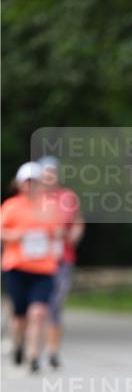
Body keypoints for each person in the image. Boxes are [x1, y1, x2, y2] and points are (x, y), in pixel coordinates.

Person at [1, 162, 63, 373]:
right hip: (16, 266)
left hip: (44, 268)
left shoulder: (50, 207)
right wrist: (16, 236)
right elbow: (2, 233)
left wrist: (53, 243)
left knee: (38, 312)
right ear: (19, 184)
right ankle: (18, 345)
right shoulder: (10, 206)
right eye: (27, 183)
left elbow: (58, 233)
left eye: (35, 183)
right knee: (19, 317)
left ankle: (33, 355)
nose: (31, 187)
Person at [39, 156, 85, 369]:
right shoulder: (32, 198)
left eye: (52, 173)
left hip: (61, 259)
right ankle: (32, 348)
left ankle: (52, 352)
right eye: (45, 173)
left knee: (55, 305)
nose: (49, 177)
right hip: (35, 260)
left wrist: (72, 236)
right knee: (37, 306)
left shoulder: (67, 197)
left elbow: (77, 222)